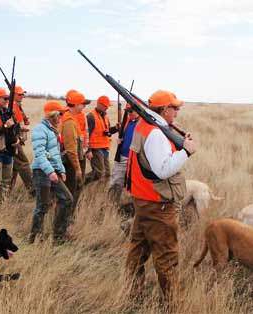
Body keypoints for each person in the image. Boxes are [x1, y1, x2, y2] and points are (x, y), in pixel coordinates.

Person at [125, 90, 196, 305]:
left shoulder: (146, 126)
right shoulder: (155, 133)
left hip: (143, 199)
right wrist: (186, 152)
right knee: (166, 258)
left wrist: (178, 142)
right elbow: (162, 170)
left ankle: (133, 296)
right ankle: (172, 305)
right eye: (174, 107)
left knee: (137, 251)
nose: (177, 111)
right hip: (157, 205)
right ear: (164, 109)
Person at [29, 101, 73, 243]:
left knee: (67, 199)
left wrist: (61, 170)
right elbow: (40, 154)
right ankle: (35, 238)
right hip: (42, 172)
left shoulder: (53, 130)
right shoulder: (40, 130)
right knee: (42, 206)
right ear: (53, 114)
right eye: (60, 114)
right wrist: (50, 172)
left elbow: (55, 153)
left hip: (53, 171)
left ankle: (58, 236)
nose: (61, 116)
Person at [60, 90, 88, 212]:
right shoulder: (69, 121)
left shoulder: (72, 117)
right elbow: (71, 149)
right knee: (69, 193)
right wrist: (77, 169)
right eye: (82, 104)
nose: (84, 106)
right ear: (76, 104)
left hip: (72, 161)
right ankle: (65, 221)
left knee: (72, 191)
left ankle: (68, 216)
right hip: (70, 163)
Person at [108, 103, 139, 207]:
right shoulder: (127, 122)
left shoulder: (142, 124)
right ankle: (111, 205)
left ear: (138, 111)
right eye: (127, 111)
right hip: (122, 157)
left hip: (135, 160)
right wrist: (121, 140)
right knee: (116, 182)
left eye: (131, 111)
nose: (129, 114)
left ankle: (132, 207)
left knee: (135, 185)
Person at [85, 95, 119, 184]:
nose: (107, 108)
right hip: (95, 149)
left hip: (105, 148)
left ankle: (100, 190)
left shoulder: (105, 116)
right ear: (99, 104)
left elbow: (107, 132)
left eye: (107, 106)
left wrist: (116, 128)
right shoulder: (91, 116)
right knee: (99, 172)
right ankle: (80, 182)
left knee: (107, 173)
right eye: (105, 106)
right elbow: (86, 134)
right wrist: (88, 150)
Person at [10, 85, 34, 196]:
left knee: (14, 168)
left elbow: (18, 122)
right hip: (13, 140)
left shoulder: (17, 106)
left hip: (17, 139)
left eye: (22, 94)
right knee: (23, 163)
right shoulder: (11, 106)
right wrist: (21, 128)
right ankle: (32, 189)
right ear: (13, 94)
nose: (22, 96)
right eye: (19, 94)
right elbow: (11, 124)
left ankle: (8, 192)